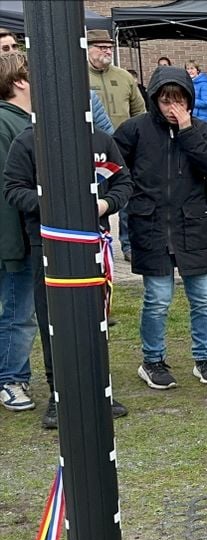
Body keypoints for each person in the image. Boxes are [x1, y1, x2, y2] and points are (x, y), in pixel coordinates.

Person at [3, 64, 133, 426]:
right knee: (53, 323)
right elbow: (13, 190)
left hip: (93, 248)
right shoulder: (28, 142)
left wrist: (105, 204)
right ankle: (59, 397)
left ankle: (98, 391)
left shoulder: (99, 142)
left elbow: (123, 184)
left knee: (95, 320)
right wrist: (55, 207)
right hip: (48, 248)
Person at [114, 66, 207, 390]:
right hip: (150, 225)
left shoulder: (203, 130)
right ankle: (152, 361)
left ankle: (204, 359)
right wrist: (133, 193)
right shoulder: (135, 129)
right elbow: (112, 164)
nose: (172, 107)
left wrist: (188, 130)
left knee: (203, 298)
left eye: (178, 100)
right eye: (165, 100)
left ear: (189, 100)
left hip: (192, 225)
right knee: (158, 298)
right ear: (154, 100)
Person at [85, 29, 145, 262]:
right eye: (101, 46)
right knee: (96, 193)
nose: (107, 50)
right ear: (87, 49)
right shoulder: (80, 77)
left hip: (124, 148)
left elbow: (139, 110)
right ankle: (94, 239)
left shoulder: (124, 77)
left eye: (109, 46)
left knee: (127, 193)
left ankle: (128, 244)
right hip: (92, 149)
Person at [0, 52, 35, 414]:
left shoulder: (25, 120)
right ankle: (11, 379)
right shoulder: (5, 124)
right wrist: (14, 244)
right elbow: (7, 189)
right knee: (18, 311)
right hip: (14, 239)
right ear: (21, 82)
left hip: (23, 235)